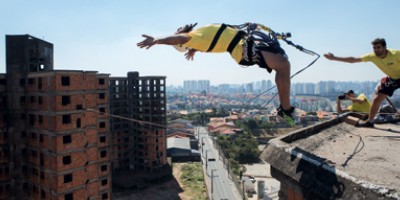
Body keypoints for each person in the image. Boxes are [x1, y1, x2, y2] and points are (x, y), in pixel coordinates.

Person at [137, 23, 296, 125]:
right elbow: (177, 38)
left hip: (243, 44)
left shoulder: (198, 37)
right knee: (283, 65)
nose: (178, 28)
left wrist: (193, 50)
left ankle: (285, 108)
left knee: (283, 64)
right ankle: (285, 109)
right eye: (177, 30)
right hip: (242, 49)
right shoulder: (190, 37)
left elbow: (207, 40)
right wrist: (157, 39)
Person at [324, 38, 400, 127]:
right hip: (392, 79)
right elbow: (353, 60)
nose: (376, 50)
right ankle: (370, 121)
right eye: (374, 48)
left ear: (385, 47)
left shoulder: (396, 54)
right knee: (376, 99)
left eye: (378, 47)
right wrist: (334, 58)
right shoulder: (372, 56)